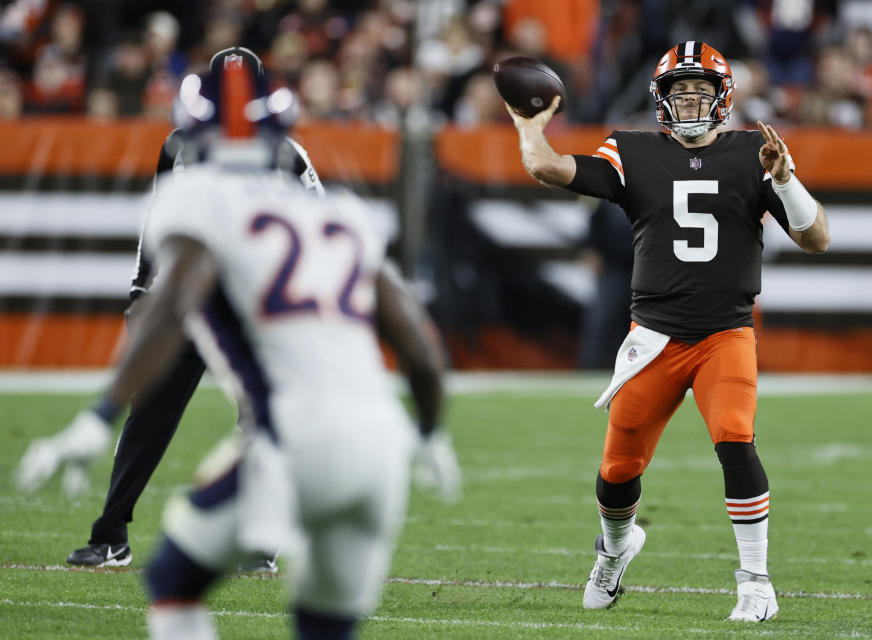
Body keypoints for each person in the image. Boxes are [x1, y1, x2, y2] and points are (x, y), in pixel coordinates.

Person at [16, 56, 455, 640]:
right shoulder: (345, 216)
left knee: (173, 580)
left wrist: (98, 415)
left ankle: (231, 541)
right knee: (325, 622)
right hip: (382, 442)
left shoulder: (198, 191)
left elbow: (173, 299)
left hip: (294, 426)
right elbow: (419, 347)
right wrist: (429, 431)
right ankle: (119, 532)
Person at [505, 40, 829, 622]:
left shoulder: (755, 151)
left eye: (699, 91)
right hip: (653, 336)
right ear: (661, 99)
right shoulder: (633, 151)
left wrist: (783, 180)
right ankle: (615, 548)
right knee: (617, 471)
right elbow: (547, 168)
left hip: (724, 334)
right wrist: (530, 127)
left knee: (735, 436)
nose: (688, 102)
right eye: (679, 92)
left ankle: (757, 583)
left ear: (722, 97)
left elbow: (816, 238)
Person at [64, 46, 323, 570]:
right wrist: (141, 286)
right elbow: (157, 218)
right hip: (193, 302)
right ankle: (111, 534)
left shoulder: (287, 154)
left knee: (263, 422)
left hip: (252, 307)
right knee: (150, 417)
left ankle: (258, 539)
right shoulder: (181, 147)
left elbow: (317, 224)